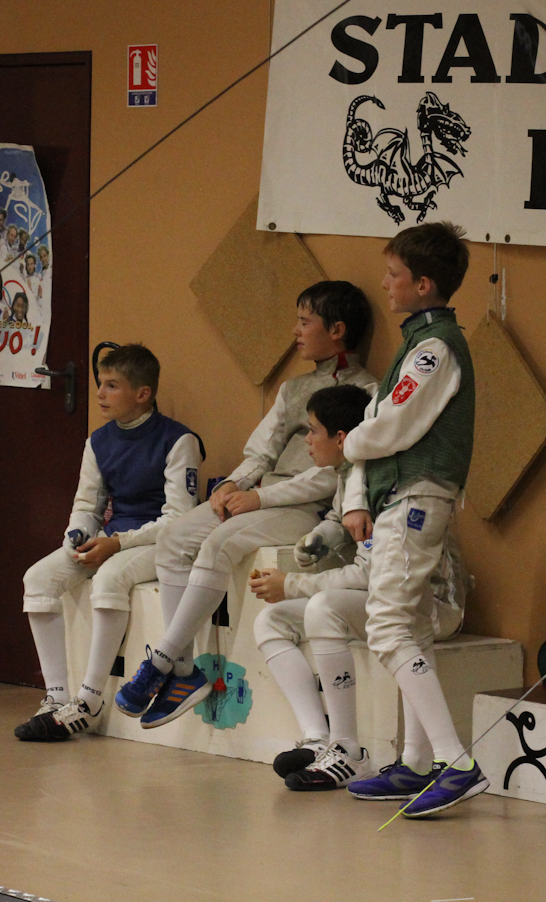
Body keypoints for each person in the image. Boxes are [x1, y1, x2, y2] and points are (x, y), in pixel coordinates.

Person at [114, 281, 376, 727]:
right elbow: (262, 450)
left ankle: (160, 661)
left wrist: (259, 497)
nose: (295, 331)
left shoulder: (367, 392)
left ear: (337, 330)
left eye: (304, 322)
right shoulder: (293, 389)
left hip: (308, 507)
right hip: (260, 495)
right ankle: (183, 671)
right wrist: (235, 482)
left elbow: (338, 470)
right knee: (175, 537)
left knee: (218, 544)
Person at [338, 222, 480, 818]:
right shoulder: (416, 344)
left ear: (423, 284)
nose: (385, 283)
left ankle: (455, 761)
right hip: (401, 498)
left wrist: (350, 445)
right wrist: (358, 484)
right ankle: (418, 763)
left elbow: (388, 427)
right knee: (413, 628)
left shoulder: (435, 348)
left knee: (389, 628)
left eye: (394, 274)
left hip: (417, 498)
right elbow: (378, 419)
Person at [15, 344, 203, 742]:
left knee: (110, 577)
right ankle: (56, 697)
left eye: (112, 385)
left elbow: (178, 520)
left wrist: (116, 544)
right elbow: (88, 505)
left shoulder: (178, 440)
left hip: (158, 543)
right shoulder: (98, 441)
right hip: (113, 538)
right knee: (38, 578)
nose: (100, 393)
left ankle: (89, 700)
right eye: (100, 384)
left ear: (142, 393)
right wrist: (77, 537)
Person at [249, 383, 396, 791]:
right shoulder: (350, 474)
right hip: (381, 598)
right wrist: (320, 538)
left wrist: (292, 584)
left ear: (342, 437)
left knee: (322, 608)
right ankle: (317, 739)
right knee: (271, 621)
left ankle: (348, 751)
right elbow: (339, 518)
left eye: (313, 430)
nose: (307, 440)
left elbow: (370, 576)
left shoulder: (379, 483)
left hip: (422, 603)